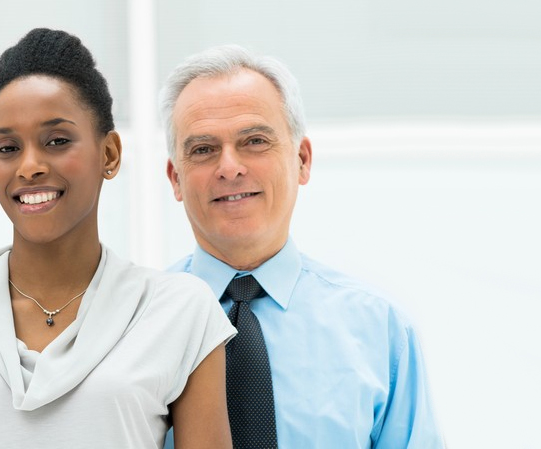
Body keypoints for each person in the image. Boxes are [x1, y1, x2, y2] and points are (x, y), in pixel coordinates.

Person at [0, 28, 235, 449]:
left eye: (57, 141)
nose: (29, 166)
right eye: (7, 148)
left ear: (110, 154)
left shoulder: (180, 311)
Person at [161, 45, 444, 448]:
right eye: (203, 150)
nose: (229, 167)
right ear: (175, 178)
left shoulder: (380, 331)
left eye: (254, 141)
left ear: (302, 160)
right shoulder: (131, 330)